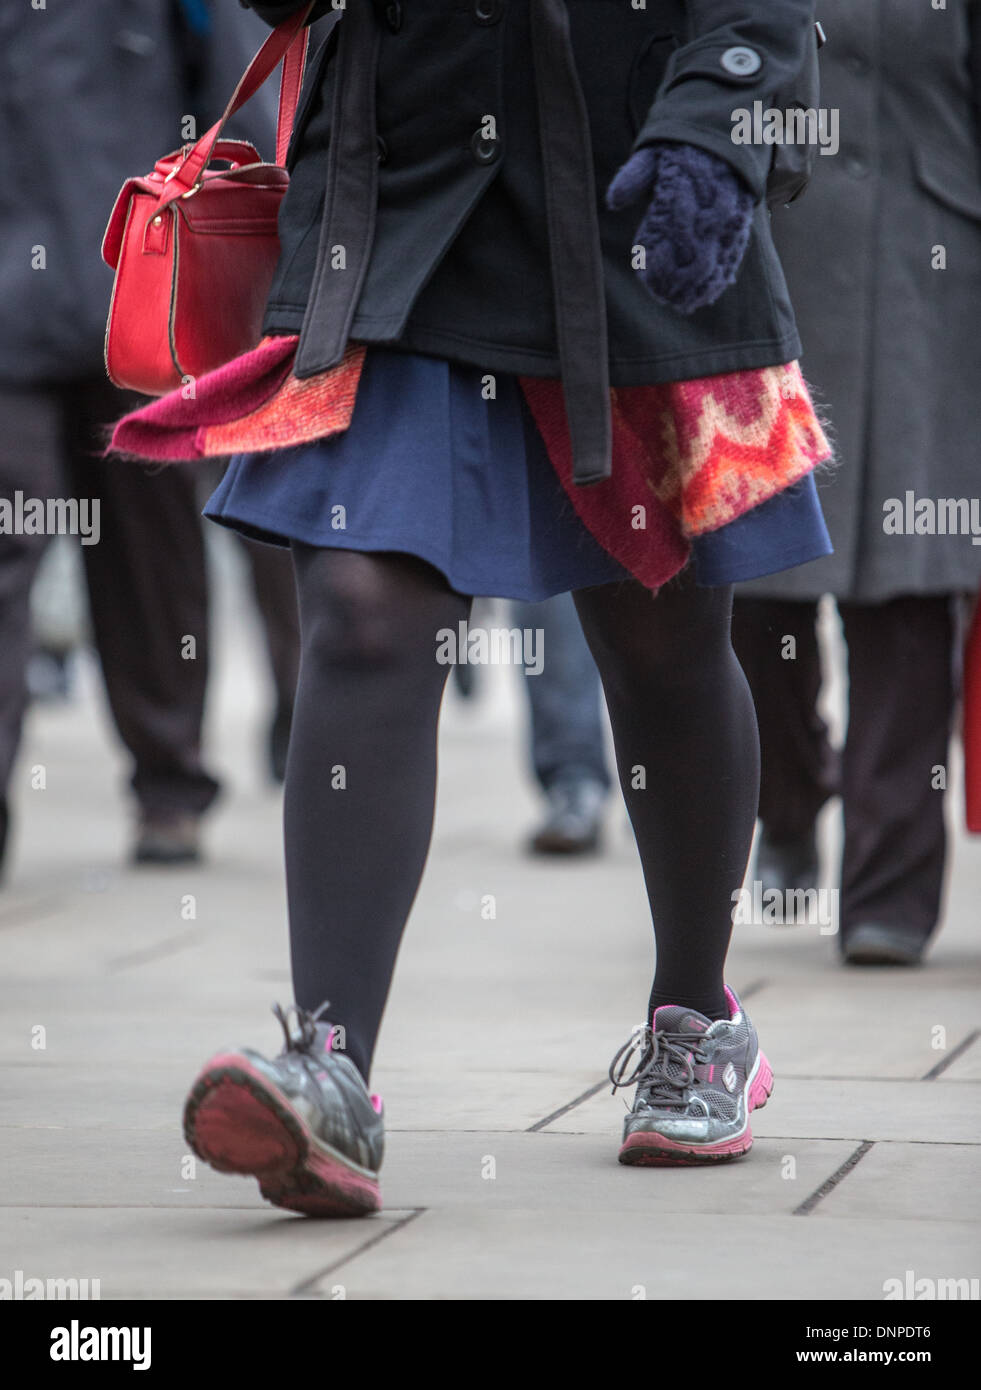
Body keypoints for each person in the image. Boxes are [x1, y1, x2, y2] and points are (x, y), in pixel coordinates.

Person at [116, 0, 831, 1214]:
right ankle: (331, 1069)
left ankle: (697, 1014)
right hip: (397, 207)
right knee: (359, 608)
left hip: (633, 195)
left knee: (660, 632)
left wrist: (720, 124)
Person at [732, 0, 981, 966]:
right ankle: (783, 806)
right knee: (758, 585)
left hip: (938, 268)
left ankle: (890, 884)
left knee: (912, 585)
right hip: (771, 256)